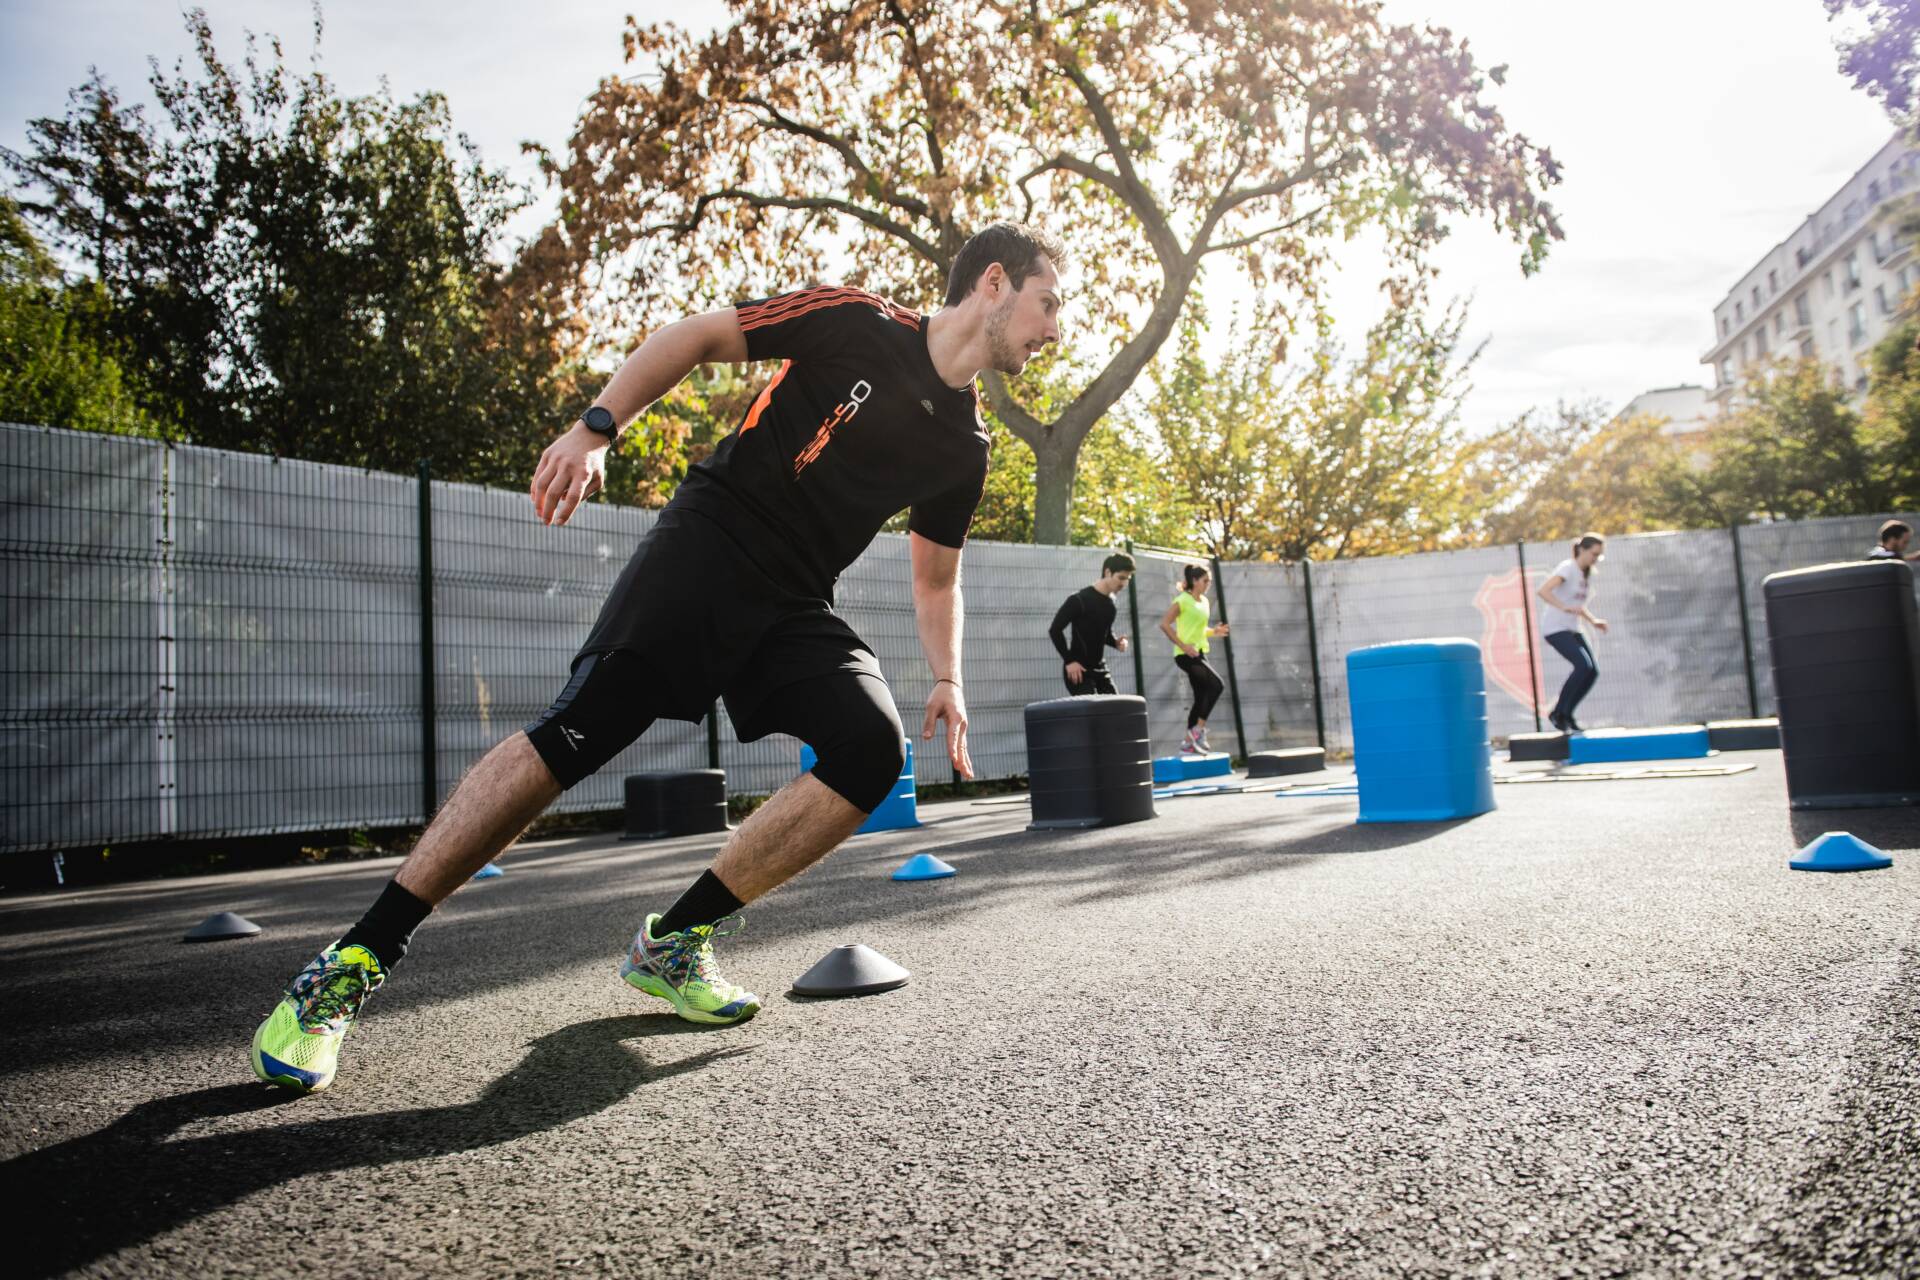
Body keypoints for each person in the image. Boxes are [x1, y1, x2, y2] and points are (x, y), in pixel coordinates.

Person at [249, 222, 1067, 1093]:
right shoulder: (857, 320)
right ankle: (347, 966)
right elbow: (700, 335)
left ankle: (674, 943)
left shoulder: (965, 448)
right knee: (576, 736)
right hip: (709, 544)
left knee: (871, 750)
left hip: (794, 600)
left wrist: (948, 678)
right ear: (992, 283)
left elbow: (938, 582)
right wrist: (597, 427)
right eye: (1048, 304)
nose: (1054, 330)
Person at [1536, 533, 1610, 733]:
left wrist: (1593, 621)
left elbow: (1578, 605)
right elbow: (1543, 590)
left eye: (1599, 556)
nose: (1596, 559)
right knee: (1582, 665)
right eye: (1594, 554)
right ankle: (1558, 712)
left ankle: (1567, 714)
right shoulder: (1568, 568)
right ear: (1582, 550)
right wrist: (1562, 607)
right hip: (1555, 628)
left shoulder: (1586, 575)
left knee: (1592, 671)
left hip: (1573, 628)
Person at [1158, 563, 1230, 754]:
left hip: (1199, 652)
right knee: (1217, 685)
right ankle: (1196, 732)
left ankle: (1187, 745)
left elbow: (1198, 630)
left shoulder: (1204, 602)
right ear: (1195, 581)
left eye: (1210, 581)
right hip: (1185, 655)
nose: (1208, 584)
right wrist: (1183, 646)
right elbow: (1164, 624)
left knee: (1201, 696)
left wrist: (1214, 631)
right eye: (1205, 581)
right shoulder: (1182, 600)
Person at [1048, 553, 1134, 695]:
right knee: (1092, 713)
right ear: (1107, 572)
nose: (1124, 584)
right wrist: (1069, 662)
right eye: (1121, 578)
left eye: (1128, 579)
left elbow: (1103, 634)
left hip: (1101, 669)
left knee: (1116, 711)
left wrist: (1116, 642)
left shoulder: (1111, 604)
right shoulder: (1079, 600)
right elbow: (1055, 630)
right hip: (1079, 670)